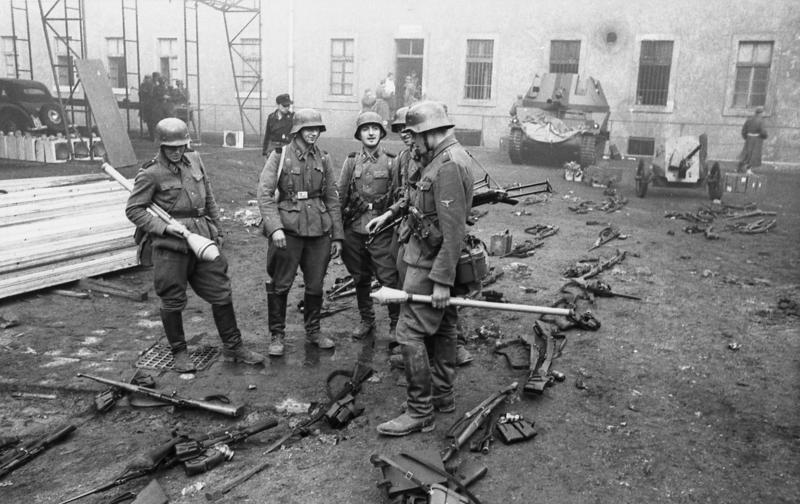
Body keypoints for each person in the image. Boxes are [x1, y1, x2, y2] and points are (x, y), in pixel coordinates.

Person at [125, 118, 264, 372]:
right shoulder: (150, 173)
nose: (177, 151)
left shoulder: (196, 160)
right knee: (172, 298)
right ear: (161, 145)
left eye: (181, 145)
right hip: (170, 244)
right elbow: (134, 210)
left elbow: (209, 196)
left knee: (221, 290)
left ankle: (233, 346)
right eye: (171, 147)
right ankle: (179, 352)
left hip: (202, 236)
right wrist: (164, 227)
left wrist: (218, 232)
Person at [369, 101, 475, 436]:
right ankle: (442, 395)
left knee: (408, 332)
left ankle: (420, 411)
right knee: (443, 328)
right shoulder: (439, 159)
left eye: (413, 135)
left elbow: (454, 229)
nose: (410, 143)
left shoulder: (447, 166)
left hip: (431, 264)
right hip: (426, 256)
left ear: (430, 132)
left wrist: (441, 281)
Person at [257, 108, 344, 357]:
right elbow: (264, 195)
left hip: (318, 229)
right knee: (280, 284)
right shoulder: (280, 155)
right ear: (297, 130)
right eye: (308, 129)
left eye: (316, 129)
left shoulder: (324, 158)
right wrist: (274, 228)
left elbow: (332, 197)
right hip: (288, 229)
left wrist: (337, 235)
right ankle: (277, 335)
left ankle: (313, 331)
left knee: (315, 285)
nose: (313, 133)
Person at [337, 111, 401, 364]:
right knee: (360, 277)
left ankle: (396, 325)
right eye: (366, 129)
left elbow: (398, 197)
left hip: (382, 231)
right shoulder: (351, 162)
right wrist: (338, 233)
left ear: (381, 133)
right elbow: (340, 197)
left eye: (375, 128)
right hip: (354, 228)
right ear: (359, 134)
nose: (371, 132)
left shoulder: (391, 162)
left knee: (388, 277)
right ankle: (367, 319)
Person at [738, 106, 768, 174]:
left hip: (748, 139)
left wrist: (746, 137)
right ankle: (748, 169)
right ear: (761, 113)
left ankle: (740, 168)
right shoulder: (761, 121)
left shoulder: (749, 119)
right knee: (753, 155)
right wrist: (764, 136)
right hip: (756, 140)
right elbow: (763, 132)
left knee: (746, 154)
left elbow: (744, 130)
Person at [138, 75, 154, 139]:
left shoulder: (152, 85)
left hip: (151, 106)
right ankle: (151, 135)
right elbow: (140, 94)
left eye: (148, 79)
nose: (147, 80)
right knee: (148, 120)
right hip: (145, 105)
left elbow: (152, 94)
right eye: (146, 79)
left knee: (152, 121)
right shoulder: (142, 85)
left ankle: (152, 135)